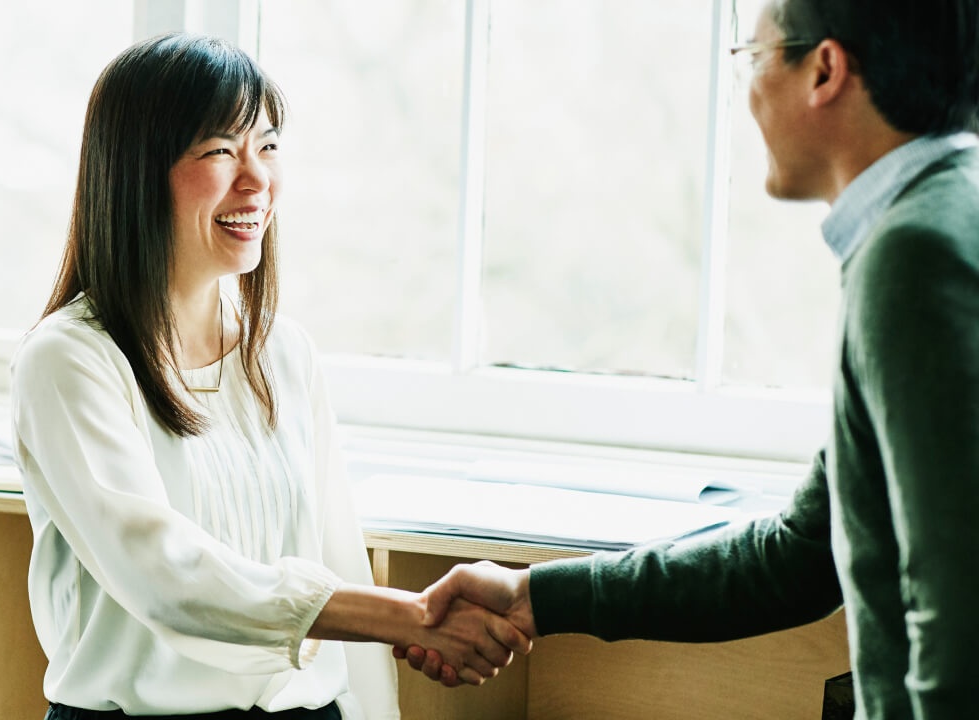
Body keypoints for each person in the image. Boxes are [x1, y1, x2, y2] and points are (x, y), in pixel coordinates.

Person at [399, 1, 979, 718]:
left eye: (755, 58)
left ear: (824, 70)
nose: (749, 91)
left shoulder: (917, 256)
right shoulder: (935, 222)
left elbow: (956, 606)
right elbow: (800, 556)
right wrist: (533, 597)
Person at [10, 34, 529, 720]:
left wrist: (386, 666)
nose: (256, 179)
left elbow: (339, 554)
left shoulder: (284, 353)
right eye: (221, 150)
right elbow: (165, 576)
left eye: (269, 145)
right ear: (135, 170)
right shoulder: (68, 360)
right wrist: (408, 617)